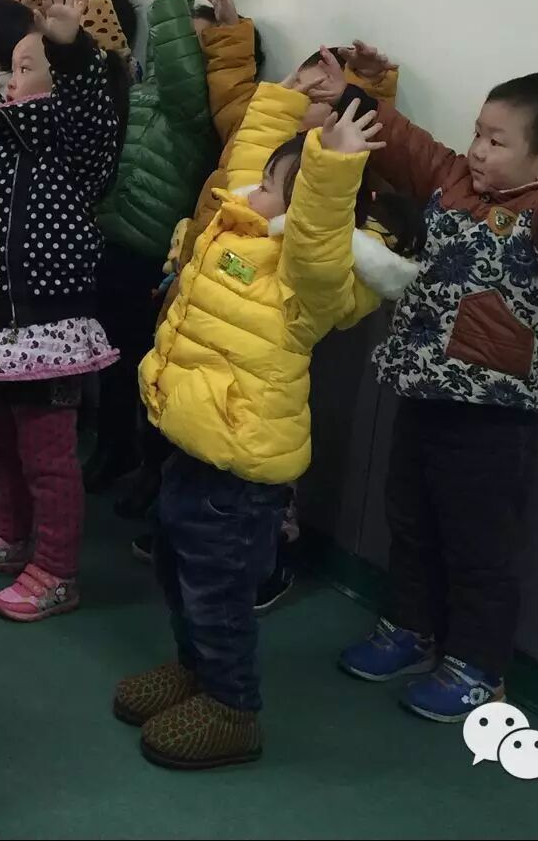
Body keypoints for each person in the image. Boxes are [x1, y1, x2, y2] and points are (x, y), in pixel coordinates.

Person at [337, 66, 538, 721]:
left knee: (478, 544)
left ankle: (477, 666)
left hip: (491, 416)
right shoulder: (455, 180)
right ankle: (410, 628)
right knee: (410, 519)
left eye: (496, 140)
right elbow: (405, 143)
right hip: (421, 391)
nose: (478, 150)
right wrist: (349, 90)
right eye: (477, 134)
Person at [117, 101, 419, 770]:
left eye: (274, 187)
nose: (250, 188)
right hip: (195, 448)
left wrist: (329, 167)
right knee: (176, 569)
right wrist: (287, 99)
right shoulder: (246, 234)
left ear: (306, 209)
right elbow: (256, 161)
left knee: (216, 595)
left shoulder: (311, 279)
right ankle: (193, 670)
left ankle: (232, 707)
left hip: (239, 468)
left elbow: (317, 240)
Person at [0, 0, 123, 622]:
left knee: (48, 457)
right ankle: (4, 533)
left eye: (26, 69)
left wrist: (70, 50)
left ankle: (57, 570)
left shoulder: (72, 139)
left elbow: (91, 113)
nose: (10, 80)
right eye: (9, 68)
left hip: (48, 319)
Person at [87, 0, 249, 495]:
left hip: (150, 250)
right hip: (111, 237)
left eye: (203, 48)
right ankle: (113, 449)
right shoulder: (143, 89)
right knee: (111, 360)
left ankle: (145, 467)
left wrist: (173, 4)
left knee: (144, 364)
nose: (189, 56)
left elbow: (184, 78)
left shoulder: (196, 110)